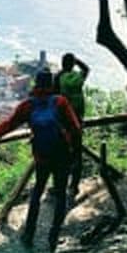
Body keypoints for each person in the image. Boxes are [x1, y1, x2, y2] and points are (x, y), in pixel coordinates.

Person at [0, 68, 81, 251]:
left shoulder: (28, 105)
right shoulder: (60, 102)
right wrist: (73, 150)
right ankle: (53, 237)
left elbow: (8, 125)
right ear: (51, 84)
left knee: (37, 193)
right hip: (62, 156)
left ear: (36, 84)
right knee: (61, 195)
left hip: (42, 157)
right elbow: (75, 128)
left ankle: (29, 234)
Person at [53, 53, 89, 202]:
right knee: (77, 153)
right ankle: (74, 185)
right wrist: (77, 61)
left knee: (61, 153)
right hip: (77, 121)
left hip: (62, 122)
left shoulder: (58, 78)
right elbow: (86, 69)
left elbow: (54, 98)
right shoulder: (78, 78)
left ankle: (59, 186)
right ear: (72, 64)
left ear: (62, 64)